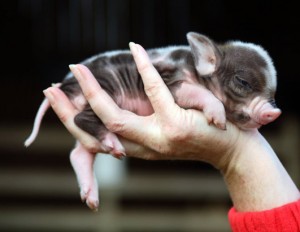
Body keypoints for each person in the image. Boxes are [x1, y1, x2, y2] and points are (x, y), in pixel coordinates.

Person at [43, 42, 300, 231]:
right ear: (208, 60)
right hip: (105, 84)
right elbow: (178, 91)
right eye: (244, 85)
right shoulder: (189, 71)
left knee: (100, 125)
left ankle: (82, 153)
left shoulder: (209, 74)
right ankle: (89, 143)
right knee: (97, 114)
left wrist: (235, 148)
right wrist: (210, 102)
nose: (264, 109)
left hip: (106, 91)